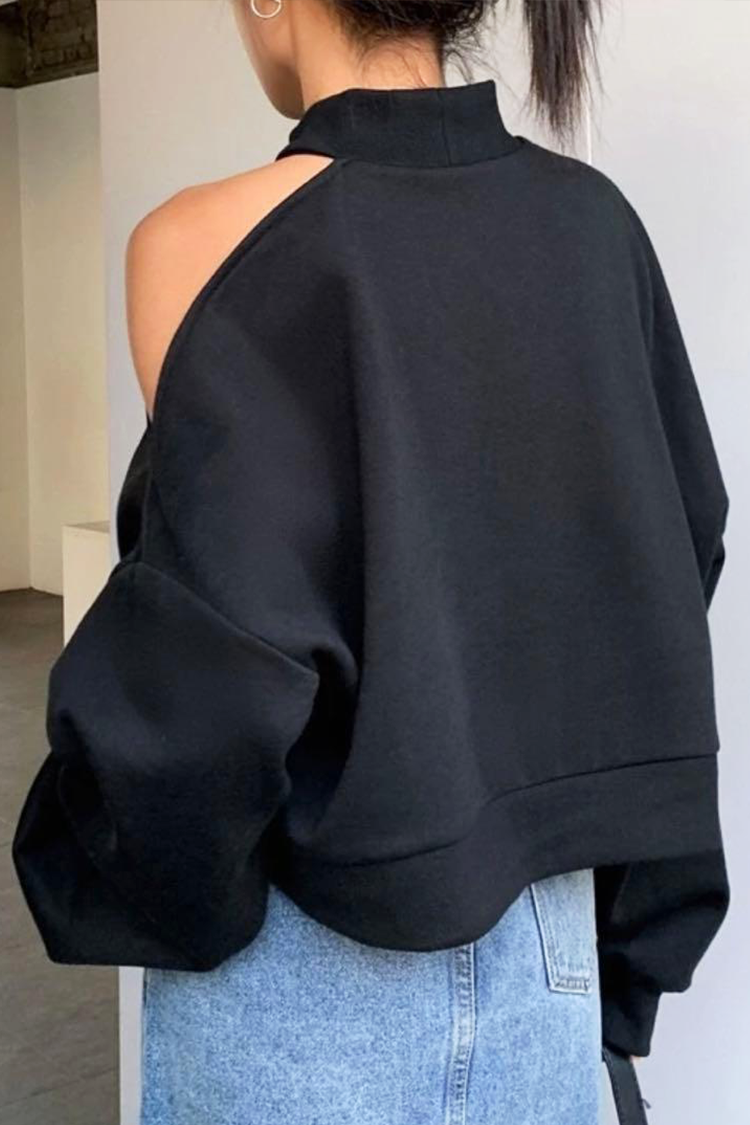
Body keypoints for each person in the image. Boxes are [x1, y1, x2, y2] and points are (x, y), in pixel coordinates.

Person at [13, 1, 730, 1123]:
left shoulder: (200, 244)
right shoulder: (596, 228)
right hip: (551, 951)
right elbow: (675, 555)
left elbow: (215, 660)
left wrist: (102, 856)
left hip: (305, 974)